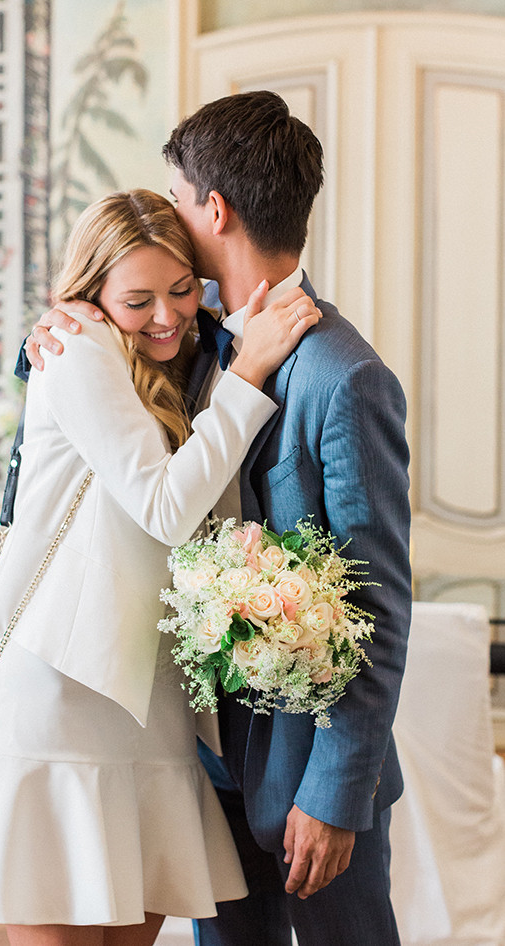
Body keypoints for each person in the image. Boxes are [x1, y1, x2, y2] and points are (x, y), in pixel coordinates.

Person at [26, 91, 412, 946]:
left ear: (214, 207)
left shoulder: (343, 376)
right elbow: (84, 437)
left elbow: (376, 610)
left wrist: (334, 793)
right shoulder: (187, 336)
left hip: (310, 780)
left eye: (174, 193)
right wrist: (53, 333)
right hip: (206, 763)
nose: (164, 210)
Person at [0, 188, 321, 946]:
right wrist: (250, 374)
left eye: (179, 291)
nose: (166, 315)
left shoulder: (183, 357)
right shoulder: (77, 349)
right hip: (65, 693)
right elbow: (165, 505)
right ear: (91, 294)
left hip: (152, 704)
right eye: (138, 299)